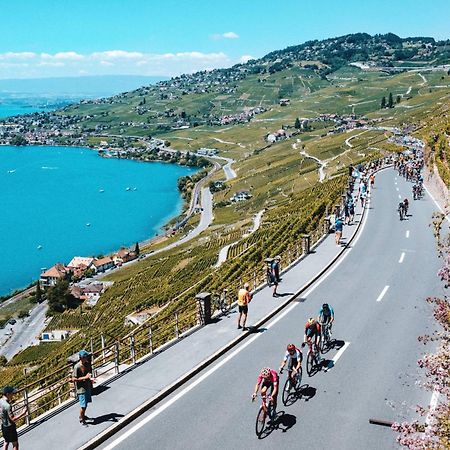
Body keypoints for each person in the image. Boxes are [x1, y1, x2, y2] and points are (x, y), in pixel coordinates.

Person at [71, 349, 94, 425]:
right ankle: (82, 419)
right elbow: (74, 379)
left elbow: (88, 373)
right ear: (81, 358)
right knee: (83, 405)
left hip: (87, 387)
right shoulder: (77, 367)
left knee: (86, 404)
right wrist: (85, 378)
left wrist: (90, 378)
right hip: (81, 389)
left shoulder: (87, 364)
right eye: (85, 356)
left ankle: (83, 415)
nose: (87, 358)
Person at [0, 386, 24, 450]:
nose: (13, 395)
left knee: (6, 442)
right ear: (7, 394)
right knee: (15, 445)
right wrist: (23, 413)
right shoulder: (7, 406)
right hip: (10, 427)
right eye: (12, 393)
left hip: (3, 426)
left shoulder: (0, 401)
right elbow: (13, 419)